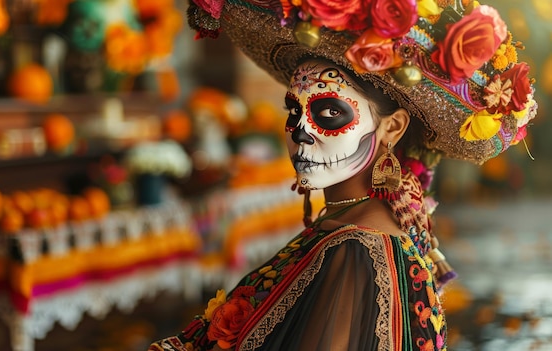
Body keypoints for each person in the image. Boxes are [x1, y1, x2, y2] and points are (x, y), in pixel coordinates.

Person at [149, 0, 538, 350]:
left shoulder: (356, 252)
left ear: (392, 128)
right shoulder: (347, 226)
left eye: (330, 112)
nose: (301, 130)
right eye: (293, 111)